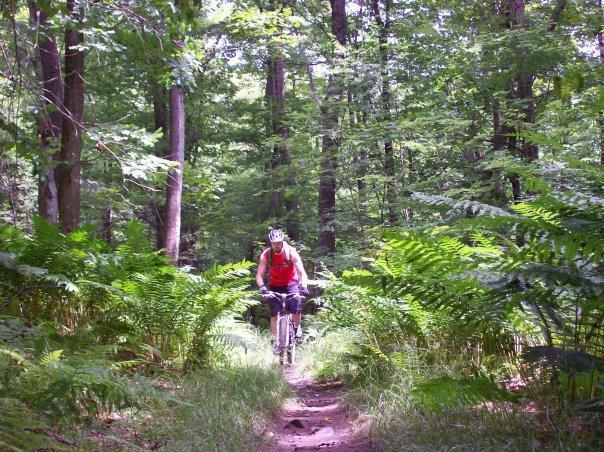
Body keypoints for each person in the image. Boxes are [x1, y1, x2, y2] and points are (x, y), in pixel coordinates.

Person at [256, 229, 309, 351]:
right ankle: (276, 342)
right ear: (271, 243)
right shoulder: (266, 255)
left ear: (282, 242)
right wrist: (262, 287)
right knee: (274, 313)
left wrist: (304, 287)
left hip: (291, 283)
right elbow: (259, 274)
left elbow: (301, 273)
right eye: (274, 243)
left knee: (296, 304)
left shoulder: (291, 253)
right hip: (275, 285)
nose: (276, 245)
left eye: (279, 243)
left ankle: (296, 328)